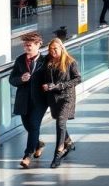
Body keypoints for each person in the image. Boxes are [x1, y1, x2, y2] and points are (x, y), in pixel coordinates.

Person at [38, 37, 81, 169]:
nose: (52, 52)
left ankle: (58, 152)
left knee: (61, 121)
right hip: (53, 98)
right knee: (59, 121)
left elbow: (77, 79)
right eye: (50, 49)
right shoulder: (47, 61)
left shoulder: (70, 62)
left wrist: (59, 85)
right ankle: (68, 141)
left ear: (62, 48)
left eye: (55, 49)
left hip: (66, 97)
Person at [10, 32, 48, 169]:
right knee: (28, 126)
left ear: (38, 45)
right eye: (25, 45)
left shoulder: (45, 61)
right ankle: (38, 144)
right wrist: (21, 79)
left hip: (40, 100)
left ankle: (27, 155)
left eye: (29, 45)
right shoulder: (20, 60)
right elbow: (12, 79)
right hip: (23, 100)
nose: (26, 47)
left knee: (33, 125)